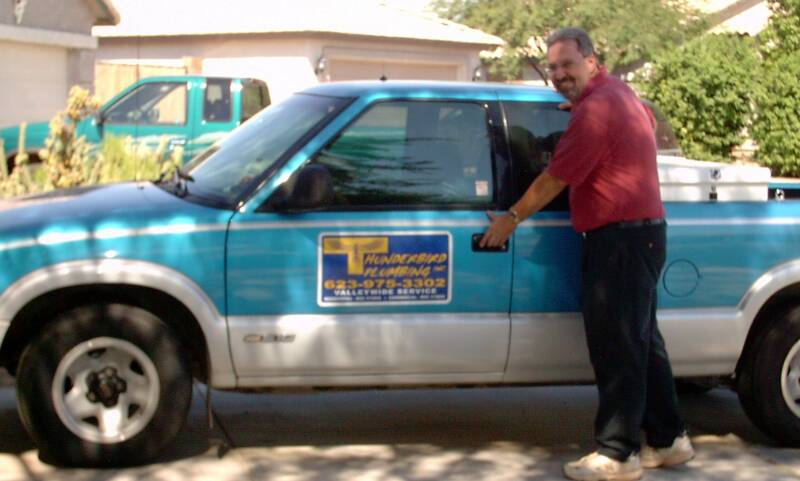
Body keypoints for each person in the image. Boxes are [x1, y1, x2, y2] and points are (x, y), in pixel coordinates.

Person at [481, 27, 694, 481]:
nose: (558, 74)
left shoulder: (596, 109)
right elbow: (648, 125)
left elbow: (553, 180)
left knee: (618, 346)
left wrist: (509, 219)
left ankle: (618, 454)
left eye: (567, 66)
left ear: (592, 61)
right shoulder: (618, 93)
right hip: (642, 235)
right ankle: (669, 439)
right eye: (553, 67)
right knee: (640, 341)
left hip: (619, 241)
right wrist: (581, 108)